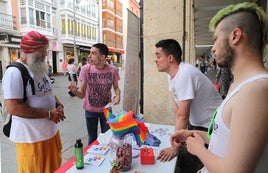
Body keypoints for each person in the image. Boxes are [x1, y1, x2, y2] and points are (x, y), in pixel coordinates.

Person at [170, 2, 268, 173]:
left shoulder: (256, 90)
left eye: (216, 39)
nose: (213, 48)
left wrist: (198, 149)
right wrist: (195, 136)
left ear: (235, 36)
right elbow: (227, 139)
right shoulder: (240, 85)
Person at [154, 39, 222, 172]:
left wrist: (174, 147)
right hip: (196, 122)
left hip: (211, 126)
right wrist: (176, 137)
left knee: (187, 163)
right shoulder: (172, 75)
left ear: (170, 58)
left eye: (158, 56)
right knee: (181, 157)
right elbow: (178, 110)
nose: (155, 60)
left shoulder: (185, 73)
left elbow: (182, 115)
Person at [2, 31, 65, 173]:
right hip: (32, 139)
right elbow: (14, 108)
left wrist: (58, 105)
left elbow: (48, 91)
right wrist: (49, 114)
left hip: (50, 134)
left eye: (45, 50)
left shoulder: (38, 67)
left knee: (55, 168)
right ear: (26, 50)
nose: (44, 54)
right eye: (41, 51)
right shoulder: (14, 73)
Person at [69, 43, 121, 145]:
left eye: (93, 53)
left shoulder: (112, 70)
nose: (89, 56)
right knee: (92, 139)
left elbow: (116, 87)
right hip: (90, 111)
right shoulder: (85, 69)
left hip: (106, 111)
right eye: (90, 53)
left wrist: (118, 96)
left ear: (102, 57)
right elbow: (82, 94)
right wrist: (75, 91)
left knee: (107, 138)